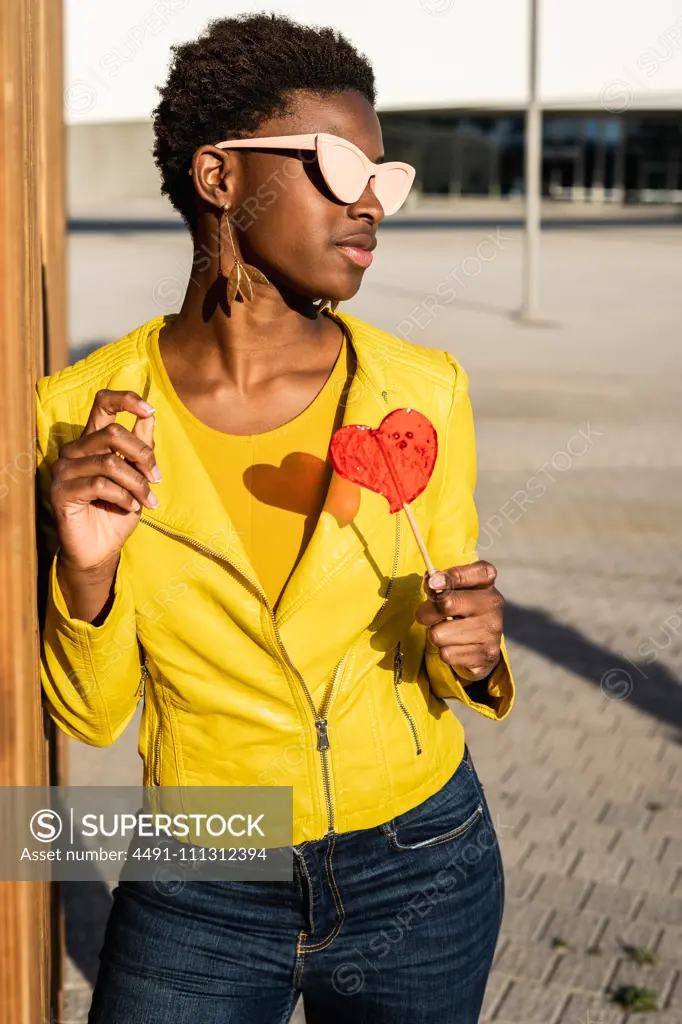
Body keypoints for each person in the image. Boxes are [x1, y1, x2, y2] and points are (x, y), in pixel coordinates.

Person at [35, 13, 515, 1024]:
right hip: (201, 868)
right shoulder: (80, 417)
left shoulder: (421, 393)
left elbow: (449, 639)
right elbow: (91, 715)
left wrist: (471, 654)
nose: (371, 206)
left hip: (419, 857)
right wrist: (86, 575)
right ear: (219, 177)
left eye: (387, 181)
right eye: (342, 168)